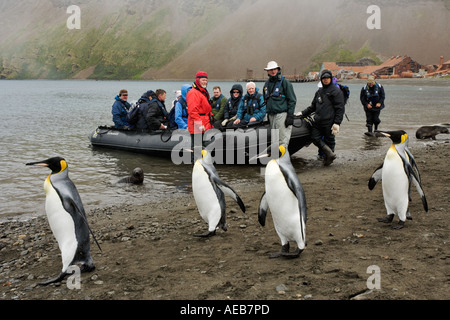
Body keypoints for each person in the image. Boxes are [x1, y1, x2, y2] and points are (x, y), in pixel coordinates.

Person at [299, 69, 345, 166]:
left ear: (331, 79)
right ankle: (329, 154)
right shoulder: (319, 92)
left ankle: (329, 159)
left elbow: (340, 109)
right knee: (314, 138)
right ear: (321, 79)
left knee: (330, 140)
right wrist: (302, 113)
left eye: (328, 78)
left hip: (330, 121)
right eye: (324, 78)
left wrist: (337, 123)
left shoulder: (336, 92)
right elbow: (313, 107)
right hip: (318, 121)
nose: (326, 80)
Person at [262, 61, 297, 149]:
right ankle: (276, 159)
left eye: (274, 69)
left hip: (281, 114)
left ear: (278, 69)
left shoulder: (285, 82)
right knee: (274, 140)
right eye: (270, 70)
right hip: (271, 115)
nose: (273, 71)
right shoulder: (266, 84)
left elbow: (292, 100)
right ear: (267, 71)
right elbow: (266, 100)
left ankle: (282, 159)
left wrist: (290, 115)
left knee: (282, 140)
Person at [187, 71, 214, 153]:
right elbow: (192, 111)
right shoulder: (193, 93)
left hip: (205, 123)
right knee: (196, 148)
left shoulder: (202, 91)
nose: (205, 82)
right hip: (197, 125)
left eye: (206, 80)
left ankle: (203, 163)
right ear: (198, 80)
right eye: (203, 80)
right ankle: (196, 163)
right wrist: (199, 124)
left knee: (203, 147)